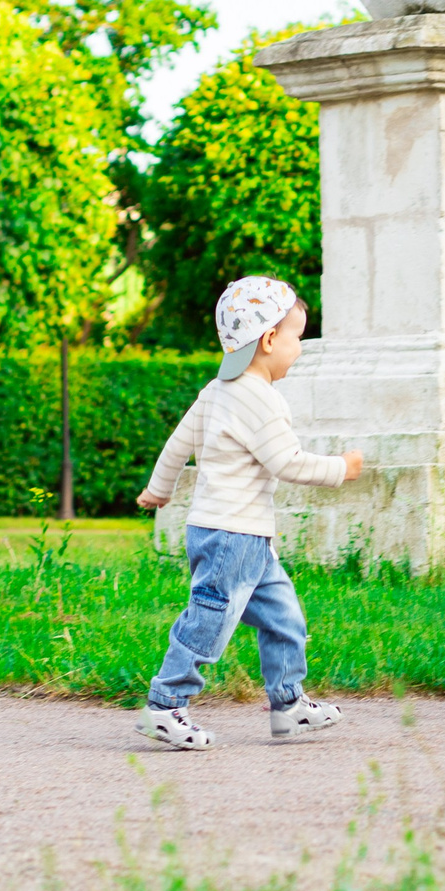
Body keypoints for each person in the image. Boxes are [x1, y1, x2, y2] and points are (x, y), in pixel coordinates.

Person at [134, 276, 365, 751]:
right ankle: (165, 705)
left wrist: (158, 491)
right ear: (268, 340)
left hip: (244, 538)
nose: (299, 349)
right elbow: (288, 462)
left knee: (284, 618)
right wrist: (342, 468)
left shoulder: (216, 391)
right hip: (230, 537)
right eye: (297, 338)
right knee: (210, 621)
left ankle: (288, 707)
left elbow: (177, 448)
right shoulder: (259, 399)